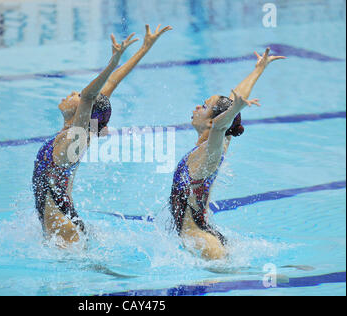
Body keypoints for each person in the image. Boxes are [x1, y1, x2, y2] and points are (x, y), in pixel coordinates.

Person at [33, 25, 172, 247]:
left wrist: (113, 62)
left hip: (64, 229)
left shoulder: (75, 139)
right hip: (63, 221)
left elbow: (90, 96)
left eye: (77, 95)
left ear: (84, 111)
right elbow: (110, 84)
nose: (72, 94)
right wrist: (144, 48)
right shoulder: (81, 130)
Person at [169, 48, 286, 260]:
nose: (197, 107)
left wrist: (232, 111)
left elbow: (222, 122)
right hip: (204, 235)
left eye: (204, 106)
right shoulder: (218, 143)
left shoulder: (211, 151)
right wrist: (258, 70)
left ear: (213, 121)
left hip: (203, 243)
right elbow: (234, 99)